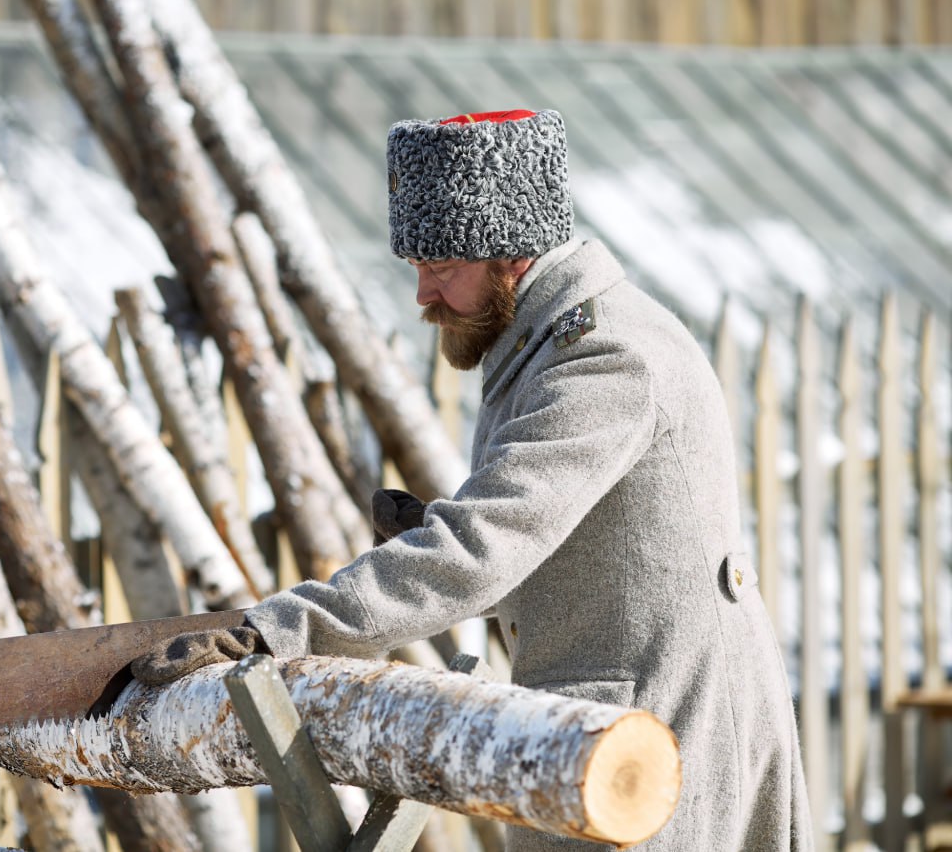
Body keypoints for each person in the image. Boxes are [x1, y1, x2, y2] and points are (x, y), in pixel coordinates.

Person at [132, 108, 811, 850]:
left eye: (441, 267)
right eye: (419, 268)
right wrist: (431, 531)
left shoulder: (605, 357)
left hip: (657, 748)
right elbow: (578, 545)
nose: (424, 295)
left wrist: (278, 630)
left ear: (511, 251)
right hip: (616, 731)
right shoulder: (549, 341)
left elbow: (487, 543)